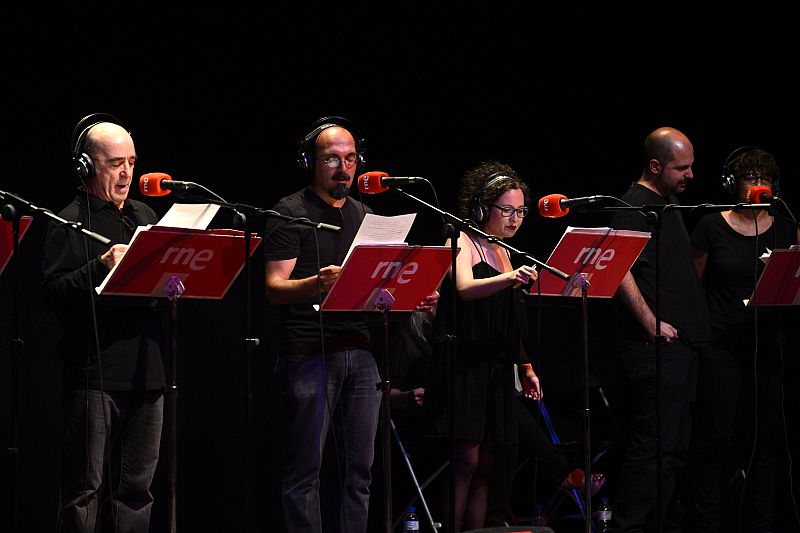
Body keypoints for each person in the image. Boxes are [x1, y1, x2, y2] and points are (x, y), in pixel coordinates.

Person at [263, 116, 438, 533]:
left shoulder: (367, 216)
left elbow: (379, 292)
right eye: (332, 159)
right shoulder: (290, 213)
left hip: (360, 351)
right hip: (309, 351)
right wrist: (315, 283)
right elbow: (274, 288)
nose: (344, 168)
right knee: (307, 470)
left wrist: (413, 299)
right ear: (311, 162)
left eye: (351, 158)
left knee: (360, 471)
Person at [42, 114, 165, 533]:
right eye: (115, 163)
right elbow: (54, 292)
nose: (127, 172)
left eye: (132, 161)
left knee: (136, 490)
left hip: (148, 374)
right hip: (94, 374)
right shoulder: (68, 221)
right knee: (84, 491)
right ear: (86, 166)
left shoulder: (144, 215)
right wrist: (100, 265)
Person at [422, 160, 542, 531]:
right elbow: (462, 288)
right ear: (480, 208)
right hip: (465, 363)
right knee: (466, 461)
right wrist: (509, 278)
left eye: (520, 211)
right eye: (506, 210)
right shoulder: (461, 242)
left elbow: (509, 320)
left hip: (495, 365)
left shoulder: (503, 251)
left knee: (488, 463)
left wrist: (526, 367)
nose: (514, 218)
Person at [688, 147, 798, 532]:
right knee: (715, 441)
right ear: (733, 184)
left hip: (766, 347)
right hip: (720, 348)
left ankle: (761, 524)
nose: (758, 185)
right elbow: (692, 289)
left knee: (765, 444)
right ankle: (707, 523)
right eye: (749, 177)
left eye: (763, 177)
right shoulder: (710, 226)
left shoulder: (786, 228)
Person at [609, 127, 711, 532]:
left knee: (674, 449)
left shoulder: (665, 205)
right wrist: (651, 324)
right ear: (655, 165)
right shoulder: (633, 205)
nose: (689, 175)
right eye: (680, 168)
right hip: (653, 349)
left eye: (691, 166)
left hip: (680, 346)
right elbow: (618, 270)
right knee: (651, 448)